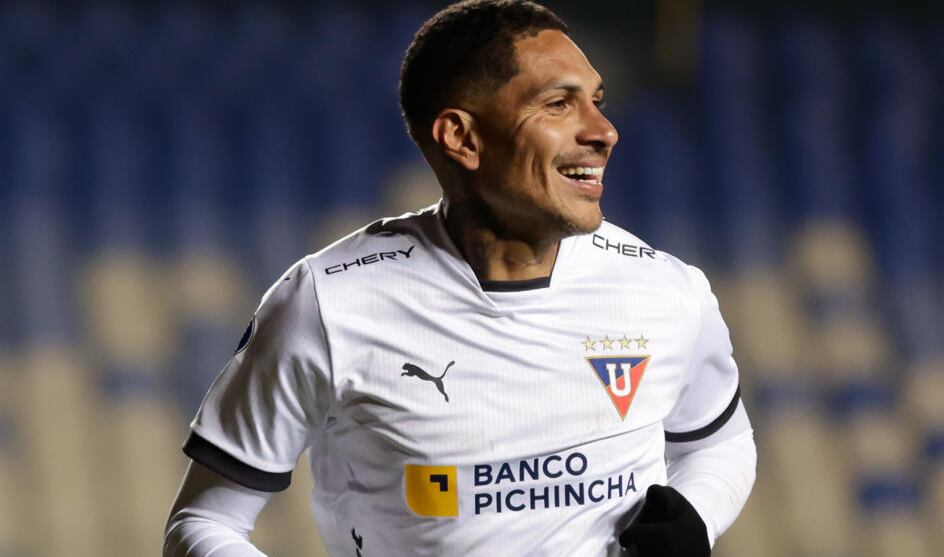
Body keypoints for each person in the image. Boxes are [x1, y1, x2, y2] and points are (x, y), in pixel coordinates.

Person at [163, 1, 756, 555]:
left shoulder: (665, 291)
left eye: (597, 101)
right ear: (462, 137)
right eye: (558, 104)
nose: (603, 130)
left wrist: (696, 514)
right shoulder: (328, 303)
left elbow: (718, 444)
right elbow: (204, 522)